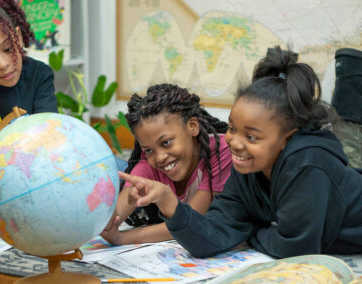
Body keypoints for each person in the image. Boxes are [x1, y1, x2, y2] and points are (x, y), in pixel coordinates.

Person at [119, 46, 362, 258]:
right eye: (233, 128)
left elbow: (295, 247)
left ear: (287, 138)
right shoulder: (247, 170)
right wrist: (168, 202)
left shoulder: (308, 163)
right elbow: (211, 237)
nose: (235, 143)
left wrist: (253, 230)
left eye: (252, 137)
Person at [0, 0, 58, 243]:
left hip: (44, 193)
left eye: (7, 49)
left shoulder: (39, 75)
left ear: (17, 36)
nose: (3, 64)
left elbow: (50, 142)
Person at [102, 84, 232, 245]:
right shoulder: (149, 163)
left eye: (166, 142)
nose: (160, 157)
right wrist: (105, 222)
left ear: (192, 126)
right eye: (148, 150)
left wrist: (121, 238)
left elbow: (191, 221)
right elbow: (111, 220)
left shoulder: (221, 152)